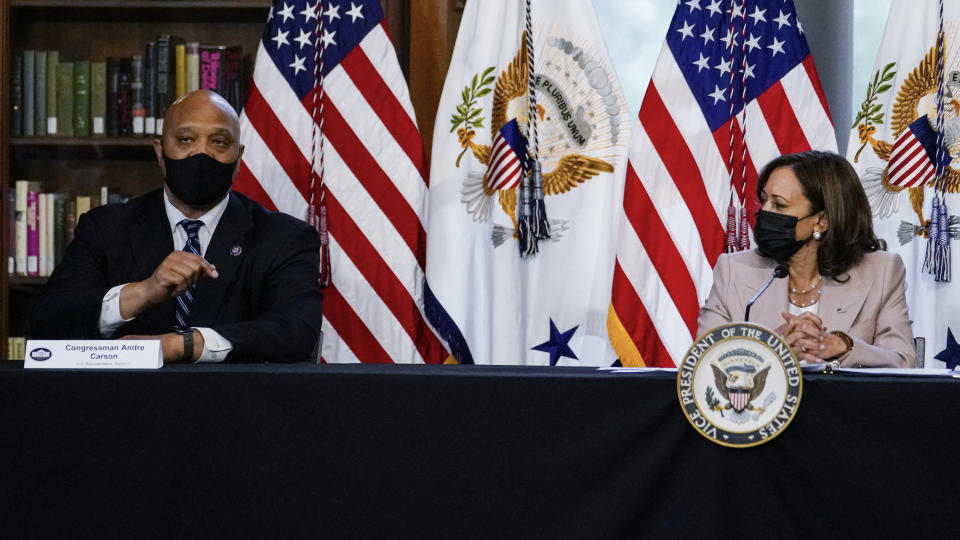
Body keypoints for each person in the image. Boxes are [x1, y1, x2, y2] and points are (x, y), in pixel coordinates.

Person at [31, 90, 323, 363]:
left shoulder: (284, 237)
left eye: (219, 142)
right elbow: (47, 323)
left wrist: (183, 344)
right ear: (160, 153)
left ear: (238, 157)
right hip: (122, 404)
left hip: (237, 406)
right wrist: (142, 292)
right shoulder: (106, 228)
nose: (202, 153)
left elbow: (296, 331)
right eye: (185, 140)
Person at [697, 150, 916, 368]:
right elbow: (701, 364)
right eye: (764, 200)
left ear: (821, 221)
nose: (764, 211)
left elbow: (904, 364)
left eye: (779, 205)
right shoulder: (733, 270)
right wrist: (769, 348)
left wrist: (842, 347)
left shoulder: (882, 272)